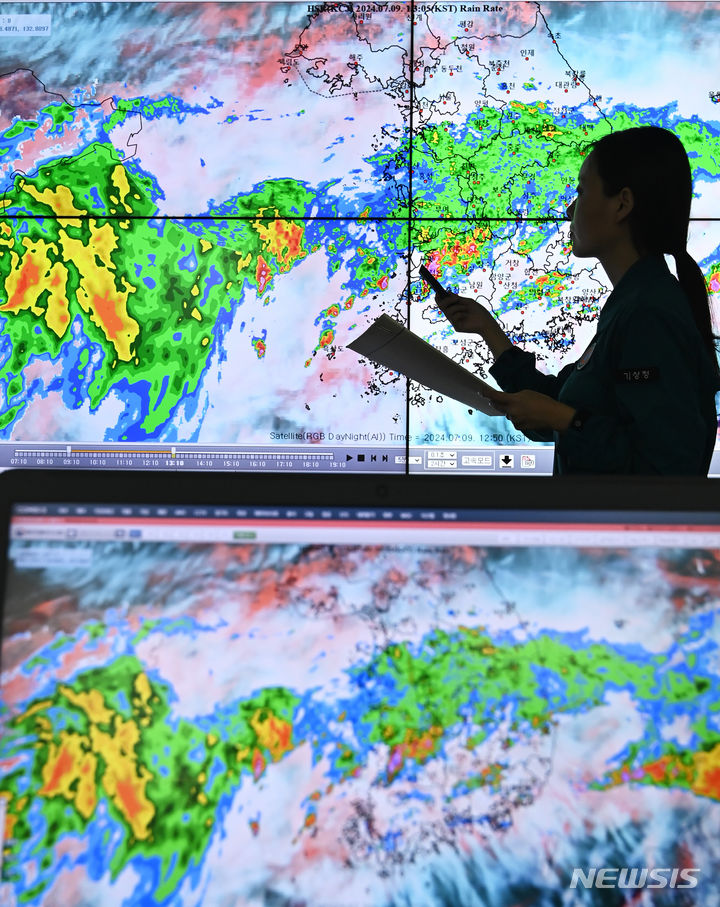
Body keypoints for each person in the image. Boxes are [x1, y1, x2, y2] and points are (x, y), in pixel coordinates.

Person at [434, 125, 720, 475]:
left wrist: (566, 420)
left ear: (622, 204)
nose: (571, 209)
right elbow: (564, 402)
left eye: (582, 191)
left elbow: (664, 467)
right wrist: (488, 331)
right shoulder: (635, 301)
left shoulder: (648, 313)